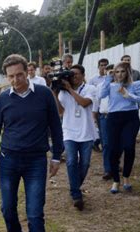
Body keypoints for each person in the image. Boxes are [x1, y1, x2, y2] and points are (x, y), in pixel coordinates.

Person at [0, 54, 63, 232]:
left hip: (36, 162)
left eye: (20, 74)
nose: (16, 80)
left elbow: (55, 126)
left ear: (27, 72)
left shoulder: (43, 95)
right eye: (11, 76)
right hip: (8, 161)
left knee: (35, 215)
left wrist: (57, 156)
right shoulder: (2, 100)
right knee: (7, 208)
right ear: (6, 77)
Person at [100, 62, 140, 193]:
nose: (119, 74)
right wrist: (107, 78)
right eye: (117, 72)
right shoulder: (111, 85)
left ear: (128, 72)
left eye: (122, 71)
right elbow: (101, 95)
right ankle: (116, 180)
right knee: (112, 149)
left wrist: (129, 95)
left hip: (130, 118)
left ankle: (126, 177)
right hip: (114, 118)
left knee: (128, 146)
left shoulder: (137, 84)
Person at [55, 64, 98, 211]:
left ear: (83, 75)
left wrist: (70, 89)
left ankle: (74, 187)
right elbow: (61, 112)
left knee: (84, 164)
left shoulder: (90, 89)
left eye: (76, 74)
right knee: (71, 161)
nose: (73, 77)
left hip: (86, 132)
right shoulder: (63, 92)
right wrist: (55, 93)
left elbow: (84, 103)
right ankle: (76, 195)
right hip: (69, 132)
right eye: (71, 74)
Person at [94, 64, 114, 180]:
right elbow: (97, 101)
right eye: (109, 71)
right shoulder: (101, 86)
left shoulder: (120, 85)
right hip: (104, 117)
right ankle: (108, 169)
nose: (111, 74)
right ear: (105, 72)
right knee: (106, 144)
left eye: (113, 72)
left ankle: (114, 164)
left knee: (117, 143)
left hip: (116, 116)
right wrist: (94, 117)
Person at [89, 58, 109, 152]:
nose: (104, 67)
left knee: (106, 131)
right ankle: (96, 143)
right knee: (100, 129)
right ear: (98, 67)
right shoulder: (93, 79)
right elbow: (89, 92)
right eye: (102, 65)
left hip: (108, 108)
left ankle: (98, 143)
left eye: (105, 65)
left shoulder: (111, 78)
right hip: (97, 107)